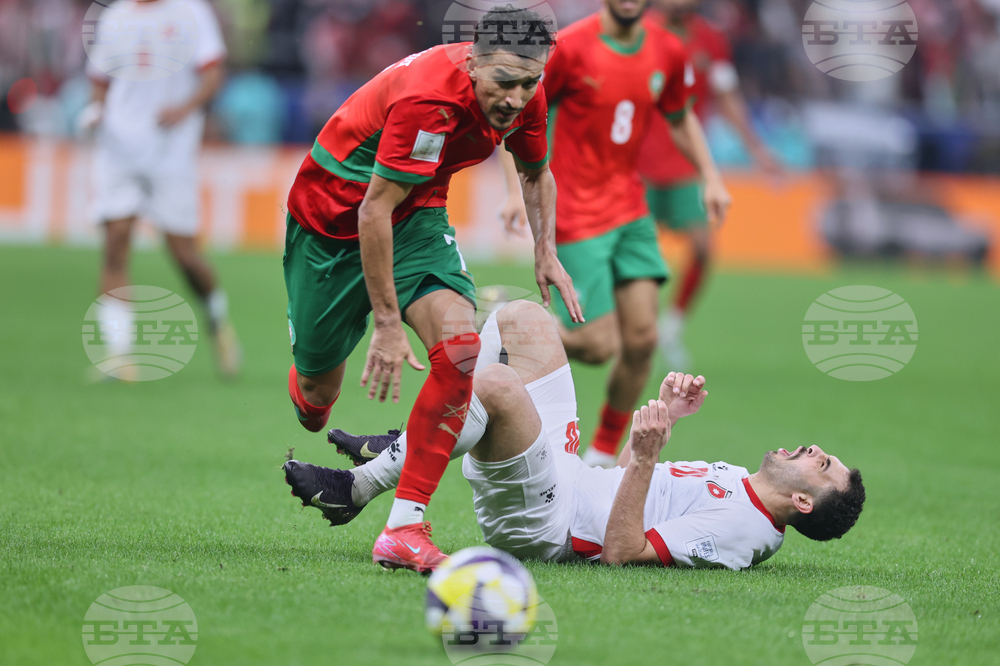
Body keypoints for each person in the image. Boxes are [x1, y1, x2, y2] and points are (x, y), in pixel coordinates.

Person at [281, 6, 582, 573]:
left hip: (415, 214)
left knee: (460, 351)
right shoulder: (430, 100)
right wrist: (388, 326)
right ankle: (310, 378)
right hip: (331, 224)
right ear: (472, 61)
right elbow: (372, 210)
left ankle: (404, 527)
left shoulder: (525, 95)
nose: (517, 98)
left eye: (529, 83)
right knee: (316, 403)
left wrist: (546, 252)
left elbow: (536, 172)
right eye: (504, 83)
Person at [286, 299, 866, 570]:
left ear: (802, 502)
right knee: (522, 317)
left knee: (495, 385)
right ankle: (424, 439)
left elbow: (621, 551)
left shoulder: (746, 536)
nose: (815, 450)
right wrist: (667, 412)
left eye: (823, 466)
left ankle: (366, 481)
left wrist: (643, 455)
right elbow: (660, 492)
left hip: (551, 525)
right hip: (570, 480)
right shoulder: (742, 483)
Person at [529, 0, 732, 469]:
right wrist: (512, 189)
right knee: (599, 347)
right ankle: (512, 329)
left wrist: (711, 175)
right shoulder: (571, 48)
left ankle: (601, 456)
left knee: (641, 342)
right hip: (576, 213)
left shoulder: (668, 49)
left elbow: (680, 117)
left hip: (630, 209)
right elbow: (521, 113)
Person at [81, 0, 241, 379]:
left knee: (183, 253)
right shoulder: (114, 15)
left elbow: (213, 73)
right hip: (118, 147)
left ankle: (218, 318)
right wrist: (98, 111)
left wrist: (186, 109)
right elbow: (100, 79)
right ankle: (119, 355)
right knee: (116, 240)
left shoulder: (190, 12)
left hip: (170, 149)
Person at [639, 0, 784, 369]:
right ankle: (635, 332)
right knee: (636, 258)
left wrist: (758, 149)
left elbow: (726, 96)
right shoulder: (640, 32)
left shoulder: (712, 40)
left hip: (687, 163)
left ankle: (670, 327)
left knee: (704, 248)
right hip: (636, 163)